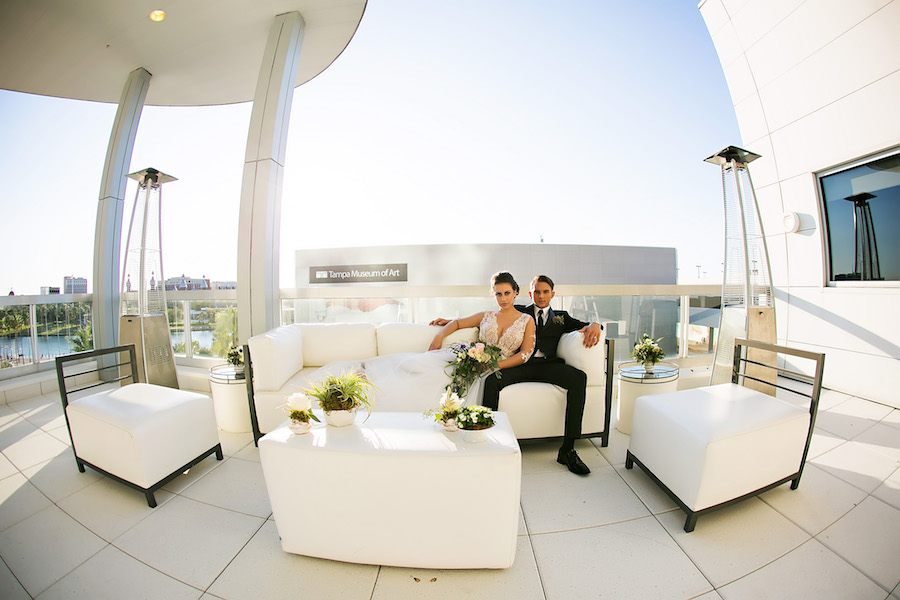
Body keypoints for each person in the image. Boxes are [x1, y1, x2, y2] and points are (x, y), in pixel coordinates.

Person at [431, 274, 603, 476]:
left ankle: (568, 450)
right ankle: (487, 442)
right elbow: (492, 316)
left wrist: (596, 325)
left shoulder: (562, 317)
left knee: (579, 378)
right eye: (537, 292)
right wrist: (450, 323)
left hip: (548, 365)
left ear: (552, 294)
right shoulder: (520, 310)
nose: (541, 296)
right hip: (521, 365)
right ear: (530, 293)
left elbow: (584, 324)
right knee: (492, 380)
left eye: (545, 292)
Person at [428, 271, 536, 385]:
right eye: (498, 294)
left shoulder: (526, 320)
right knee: (441, 374)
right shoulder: (486, 316)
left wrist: (496, 366)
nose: (503, 299)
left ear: (515, 292)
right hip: (478, 367)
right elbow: (457, 323)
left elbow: (525, 354)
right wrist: (439, 336)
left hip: (503, 371)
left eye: (507, 293)